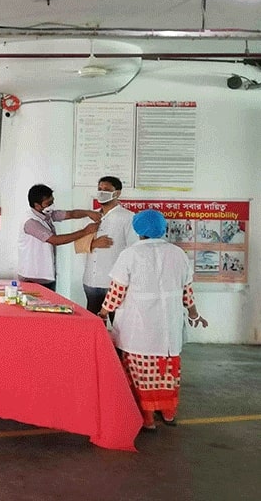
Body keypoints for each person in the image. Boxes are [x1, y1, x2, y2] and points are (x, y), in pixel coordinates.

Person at [99, 209, 209, 432]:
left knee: (140, 375)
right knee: (168, 374)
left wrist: (102, 313)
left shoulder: (130, 254)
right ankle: (168, 413)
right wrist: (194, 314)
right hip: (169, 332)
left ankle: (147, 418)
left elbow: (116, 292)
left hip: (139, 330)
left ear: (139, 231)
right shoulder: (178, 254)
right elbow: (187, 291)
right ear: (162, 229)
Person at [17, 184, 100, 291]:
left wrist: (88, 213)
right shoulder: (31, 222)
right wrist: (86, 231)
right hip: (33, 277)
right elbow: (55, 240)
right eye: (48, 203)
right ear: (37, 205)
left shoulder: (47, 214)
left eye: (52, 201)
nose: (52, 206)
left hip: (45, 275)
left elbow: (71, 214)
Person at [82, 176, 139, 315]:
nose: (102, 192)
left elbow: (134, 250)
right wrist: (94, 243)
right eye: (99, 189)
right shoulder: (92, 216)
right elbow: (79, 244)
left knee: (117, 323)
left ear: (117, 193)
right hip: (91, 280)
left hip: (115, 283)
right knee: (93, 322)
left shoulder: (128, 217)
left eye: (106, 190)